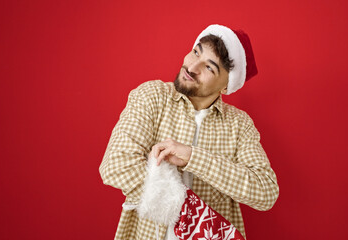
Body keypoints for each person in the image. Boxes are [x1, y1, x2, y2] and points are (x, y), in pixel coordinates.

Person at [99, 24, 279, 240]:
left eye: (210, 68)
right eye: (196, 52)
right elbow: (115, 165)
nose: (192, 67)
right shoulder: (152, 96)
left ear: (225, 86)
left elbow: (265, 192)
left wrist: (193, 158)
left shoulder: (239, 125)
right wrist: (191, 213)